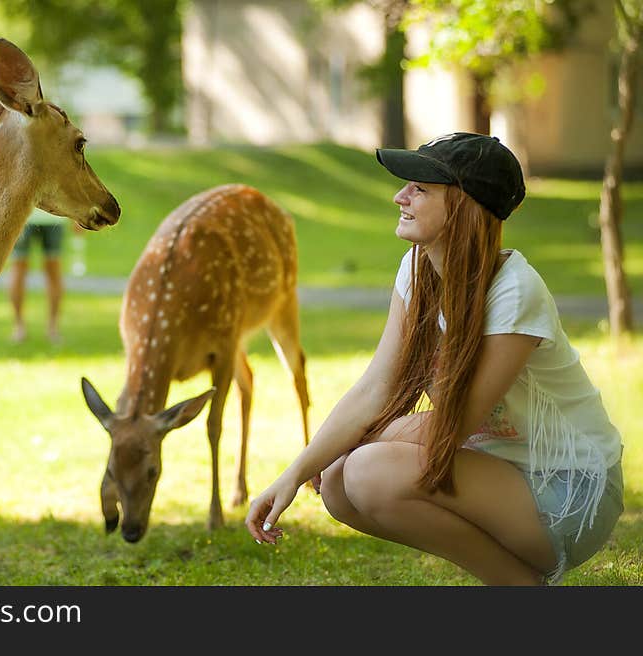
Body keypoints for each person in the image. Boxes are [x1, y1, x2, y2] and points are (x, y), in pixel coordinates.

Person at [245, 132, 624, 586]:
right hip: (498, 472)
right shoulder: (418, 269)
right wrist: (293, 475)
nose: (399, 196)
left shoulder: (515, 290)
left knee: (365, 469)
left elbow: (452, 425)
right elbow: (375, 387)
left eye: (420, 189)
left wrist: (361, 439)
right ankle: (516, 584)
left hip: (571, 489)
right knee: (340, 486)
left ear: (465, 204)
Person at [9, 208, 67, 343]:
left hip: (55, 217)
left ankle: (53, 328)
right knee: (18, 270)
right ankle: (19, 326)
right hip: (23, 216)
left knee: (54, 271)